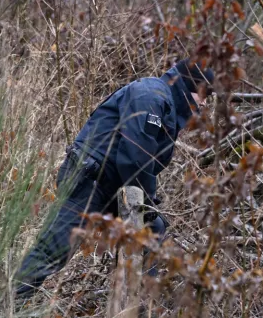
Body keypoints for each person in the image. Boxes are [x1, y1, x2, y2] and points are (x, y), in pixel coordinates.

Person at [13, 58, 212, 299]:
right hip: (90, 181)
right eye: (206, 94)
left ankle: (134, 308)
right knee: (54, 250)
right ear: (193, 88)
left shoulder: (164, 102)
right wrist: (146, 205)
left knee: (152, 233)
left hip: (113, 185)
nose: (205, 103)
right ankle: (7, 306)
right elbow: (135, 157)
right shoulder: (151, 96)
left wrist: (146, 211)